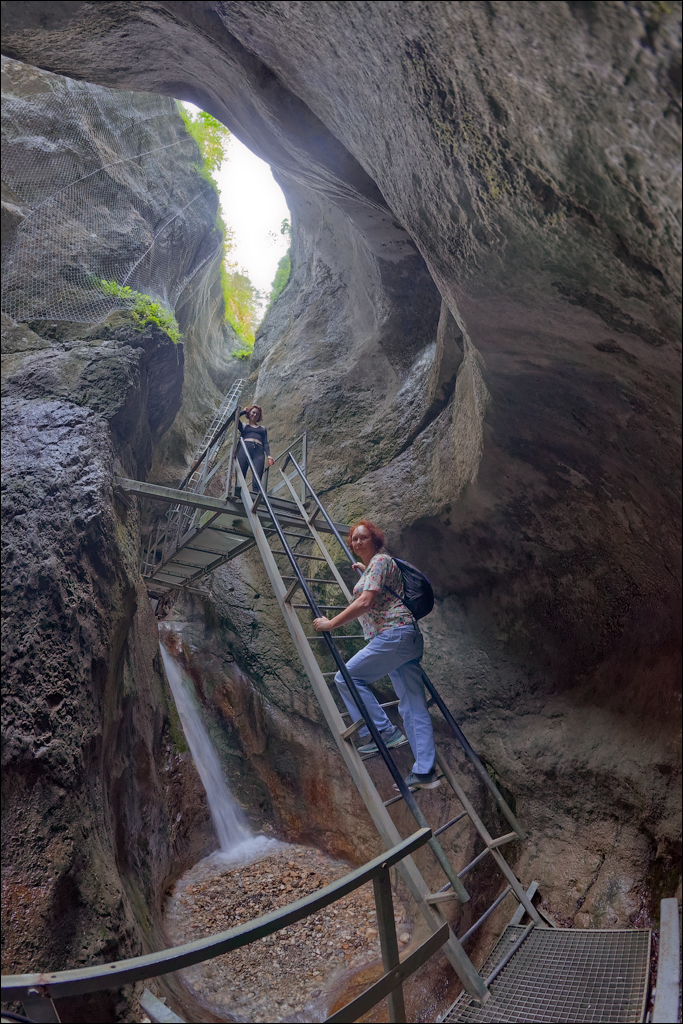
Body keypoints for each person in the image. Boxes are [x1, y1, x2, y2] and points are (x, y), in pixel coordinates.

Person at [313, 520, 439, 790]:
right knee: (413, 705)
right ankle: (425, 770)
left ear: (375, 540)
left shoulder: (381, 562)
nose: (357, 543)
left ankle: (383, 731)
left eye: (363, 538)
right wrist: (364, 571)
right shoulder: (375, 567)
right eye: (354, 540)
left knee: (346, 678)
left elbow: (366, 601)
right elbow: (378, 591)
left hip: (393, 636)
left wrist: (331, 624)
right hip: (406, 638)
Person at [236, 405, 274, 492]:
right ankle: (238, 495)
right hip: (244, 449)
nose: (255, 415)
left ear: (259, 417)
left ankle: (255, 499)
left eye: (257, 414)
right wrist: (244, 411)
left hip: (258, 452)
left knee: (257, 476)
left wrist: (269, 456)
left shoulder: (263, 429)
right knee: (241, 474)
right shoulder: (244, 426)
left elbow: (265, 443)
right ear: (249, 413)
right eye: (253, 412)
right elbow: (235, 418)